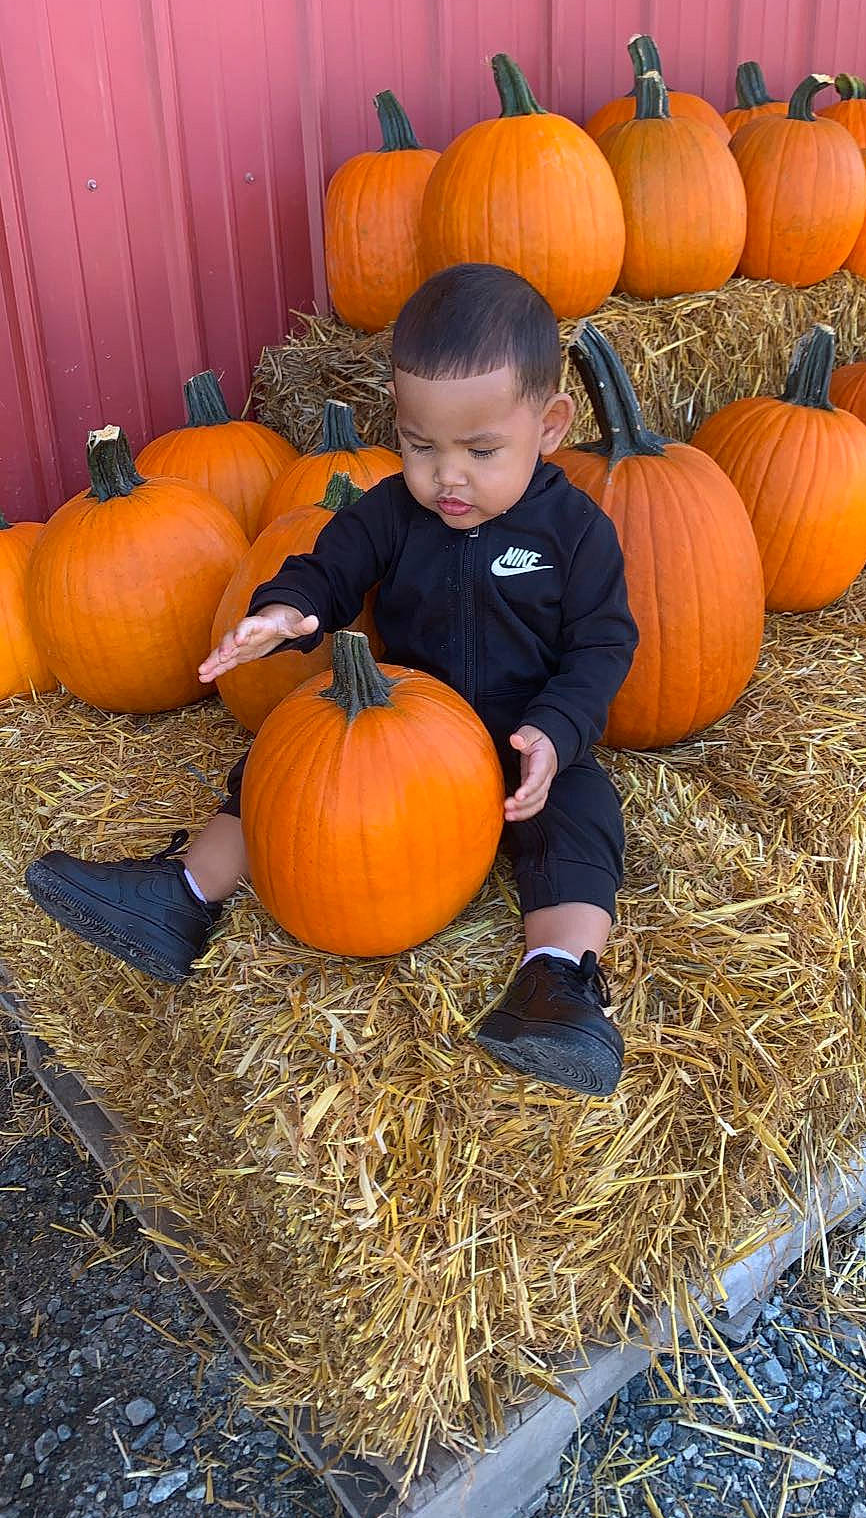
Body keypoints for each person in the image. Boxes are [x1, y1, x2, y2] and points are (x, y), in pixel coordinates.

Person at [26, 263, 638, 1097]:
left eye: (481, 451)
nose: (447, 478)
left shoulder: (578, 532)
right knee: (282, 760)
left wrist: (558, 731)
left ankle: (555, 978)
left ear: (551, 423)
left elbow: (604, 646)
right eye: (422, 445)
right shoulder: (394, 509)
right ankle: (182, 894)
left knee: (584, 817)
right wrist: (282, 613)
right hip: (407, 736)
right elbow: (330, 564)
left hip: (528, 735)